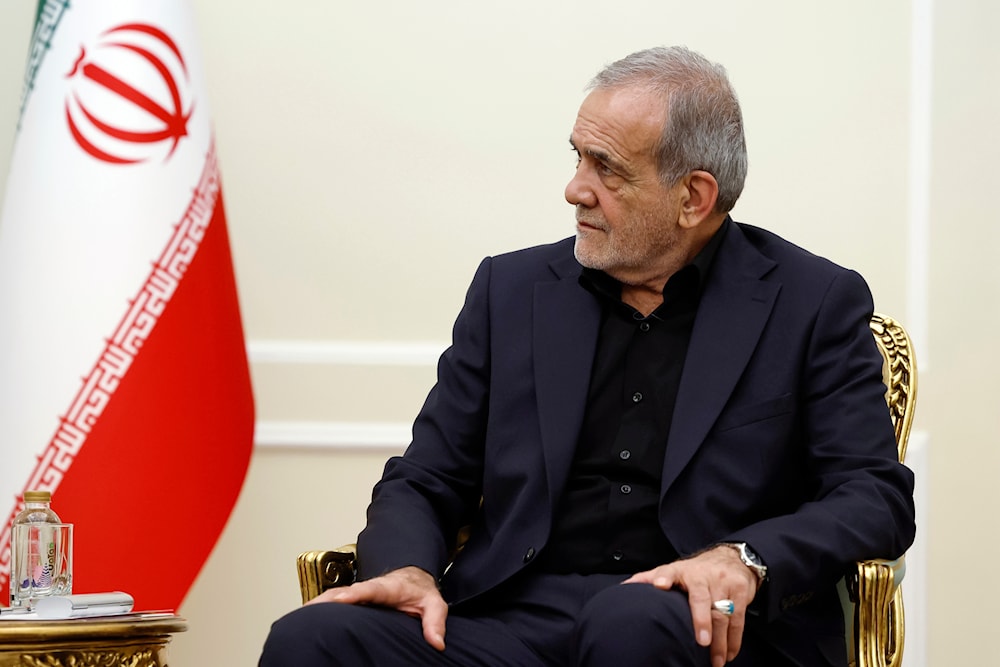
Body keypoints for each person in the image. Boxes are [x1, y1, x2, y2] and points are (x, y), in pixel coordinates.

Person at [259, 45, 915, 667]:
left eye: (607, 169)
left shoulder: (811, 301)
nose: (576, 188)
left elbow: (873, 496)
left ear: (694, 198)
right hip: (513, 620)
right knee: (313, 638)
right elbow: (429, 477)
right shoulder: (511, 292)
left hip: (700, 629)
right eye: (577, 157)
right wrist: (405, 566)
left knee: (630, 622)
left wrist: (744, 558)